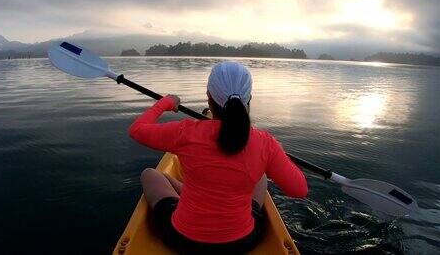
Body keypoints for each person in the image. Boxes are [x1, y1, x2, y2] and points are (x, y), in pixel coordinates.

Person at [128, 61, 308, 254]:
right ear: (249, 98)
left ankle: (190, 195)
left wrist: (166, 103)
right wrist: (277, 151)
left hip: (184, 240)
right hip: (241, 242)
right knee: (261, 176)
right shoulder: (265, 142)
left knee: (149, 174)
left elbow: (137, 130)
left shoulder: (185, 132)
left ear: (208, 98)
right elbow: (299, 190)